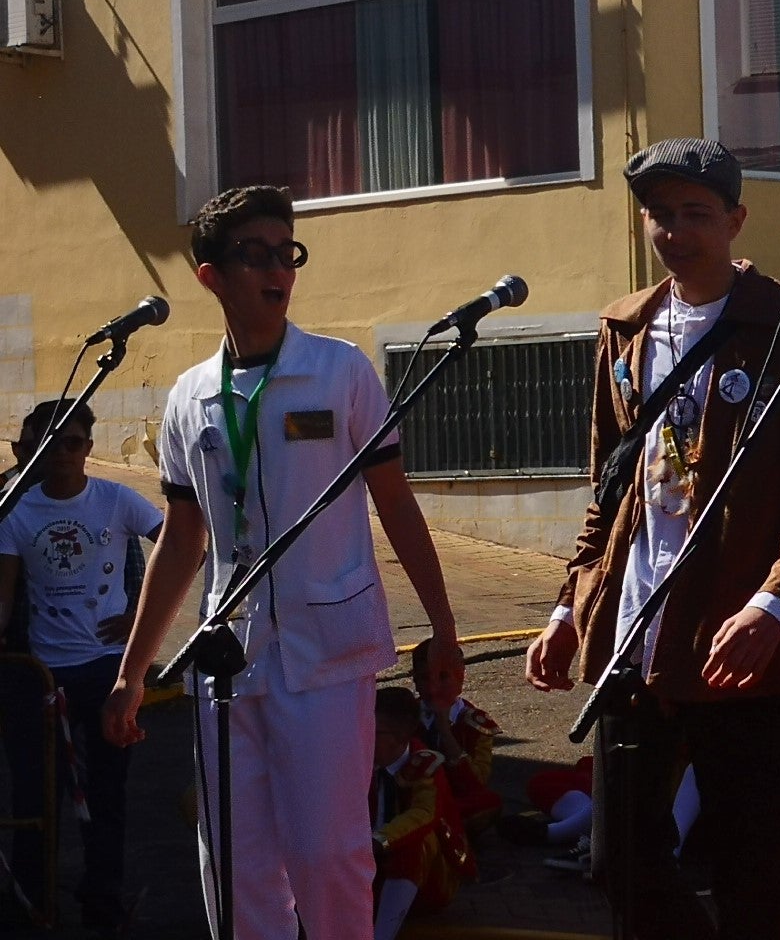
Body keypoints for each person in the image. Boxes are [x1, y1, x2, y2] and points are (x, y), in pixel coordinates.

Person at [101, 185, 466, 940]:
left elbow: (395, 503)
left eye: (286, 254)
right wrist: (133, 671)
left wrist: (443, 623)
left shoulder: (341, 374)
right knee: (233, 864)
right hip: (227, 663)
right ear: (211, 276)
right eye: (255, 255)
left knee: (327, 856)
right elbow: (182, 537)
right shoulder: (189, 397)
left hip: (326, 659)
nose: (278, 270)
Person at [522, 137, 780, 940]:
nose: (675, 232)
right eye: (660, 215)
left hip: (733, 648)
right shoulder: (625, 330)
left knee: (747, 870)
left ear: (736, 220)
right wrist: (570, 609)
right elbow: (609, 493)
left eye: (696, 214)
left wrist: (771, 611)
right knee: (621, 864)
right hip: (633, 636)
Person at [0, 400, 161, 932]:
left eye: (71, 443)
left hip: (107, 672)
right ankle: (32, 901)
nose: (61, 454)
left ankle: (102, 900)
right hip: (42, 675)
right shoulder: (16, 513)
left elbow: (182, 546)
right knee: (32, 793)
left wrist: (141, 617)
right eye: (48, 445)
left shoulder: (117, 501)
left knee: (106, 794)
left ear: (88, 449)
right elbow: (3, 603)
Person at [371, 686, 468, 940]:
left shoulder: (426, 765)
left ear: (402, 735)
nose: (362, 737)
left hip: (426, 883)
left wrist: (379, 841)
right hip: (368, 871)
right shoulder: (355, 761)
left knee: (414, 843)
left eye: (374, 732)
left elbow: (423, 813)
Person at [412, 635, 502, 833]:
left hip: (453, 798)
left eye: (443, 677)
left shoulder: (475, 724)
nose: (434, 687)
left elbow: (475, 783)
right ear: (415, 681)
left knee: (488, 802)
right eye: (425, 678)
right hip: (411, 797)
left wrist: (445, 731)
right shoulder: (405, 715)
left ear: (461, 677)